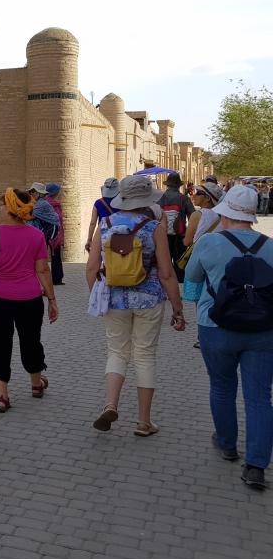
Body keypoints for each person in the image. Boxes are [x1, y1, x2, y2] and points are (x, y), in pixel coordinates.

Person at [186, 185, 273, 490]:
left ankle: (226, 444)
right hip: (263, 330)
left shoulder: (209, 242)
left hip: (215, 325)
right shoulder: (270, 245)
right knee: (260, 396)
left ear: (226, 213)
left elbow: (192, 280)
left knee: (222, 387)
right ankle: (256, 466)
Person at [86, 175, 187, 437]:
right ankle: (144, 422)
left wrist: (97, 297)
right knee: (144, 356)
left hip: (114, 298)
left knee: (117, 352)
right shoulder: (154, 227)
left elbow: (91, 267)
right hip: (149, 299)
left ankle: (110, 404)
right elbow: (166, 273)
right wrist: (178, 309)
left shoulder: (105, 224)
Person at [0, 188, 59, 413]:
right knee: (31, 340)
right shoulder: (36, 236)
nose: (0, 208)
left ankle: (2, 396)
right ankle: (36, 384)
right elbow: (42, 270)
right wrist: (52, 299)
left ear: (11, 209)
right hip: (30, 298)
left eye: (3, 205)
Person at [184, 181, 224, 349]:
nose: (193, 195)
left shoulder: (197, 215)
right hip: (220, 261)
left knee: (200, 301)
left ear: (207, 198)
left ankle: (203, 336)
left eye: (197, 193)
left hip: (200, 261)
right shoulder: (223, 216)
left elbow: (187, 241)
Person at [158, 173, 195, 283]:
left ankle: (167, 284)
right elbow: (192, 216)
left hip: (162, 235)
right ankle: (179, 285)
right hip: (180, 235)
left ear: (167, 185)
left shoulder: (160, 198)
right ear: (179, 185)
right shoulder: (184, 199)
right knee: (180, 263)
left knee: (164, 262)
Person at [84, 177, 120, 252]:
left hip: (103, 234)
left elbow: (93, 223)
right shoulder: (122, 202)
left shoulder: (98, 203)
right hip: (120, 233)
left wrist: (89, 240)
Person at [45, 182, 65, 285]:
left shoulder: (46, 203)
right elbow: (58, 221)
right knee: (56, 256)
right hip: (53, 233)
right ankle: (56, 278)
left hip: (46, 232)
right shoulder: (53, 205)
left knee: (49, 256)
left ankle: (54, 278)